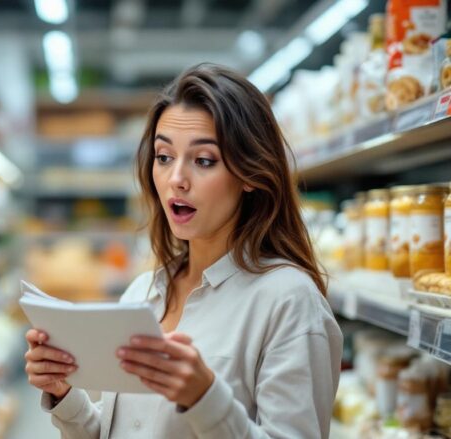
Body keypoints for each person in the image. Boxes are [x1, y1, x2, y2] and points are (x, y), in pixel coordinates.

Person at [23, 63, 343, 438]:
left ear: (250, 174)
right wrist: (65, 395)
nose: (176, 179)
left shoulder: (289, 302)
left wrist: (205, 398)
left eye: (203, 160)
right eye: (164, 157)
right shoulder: (140, 293)